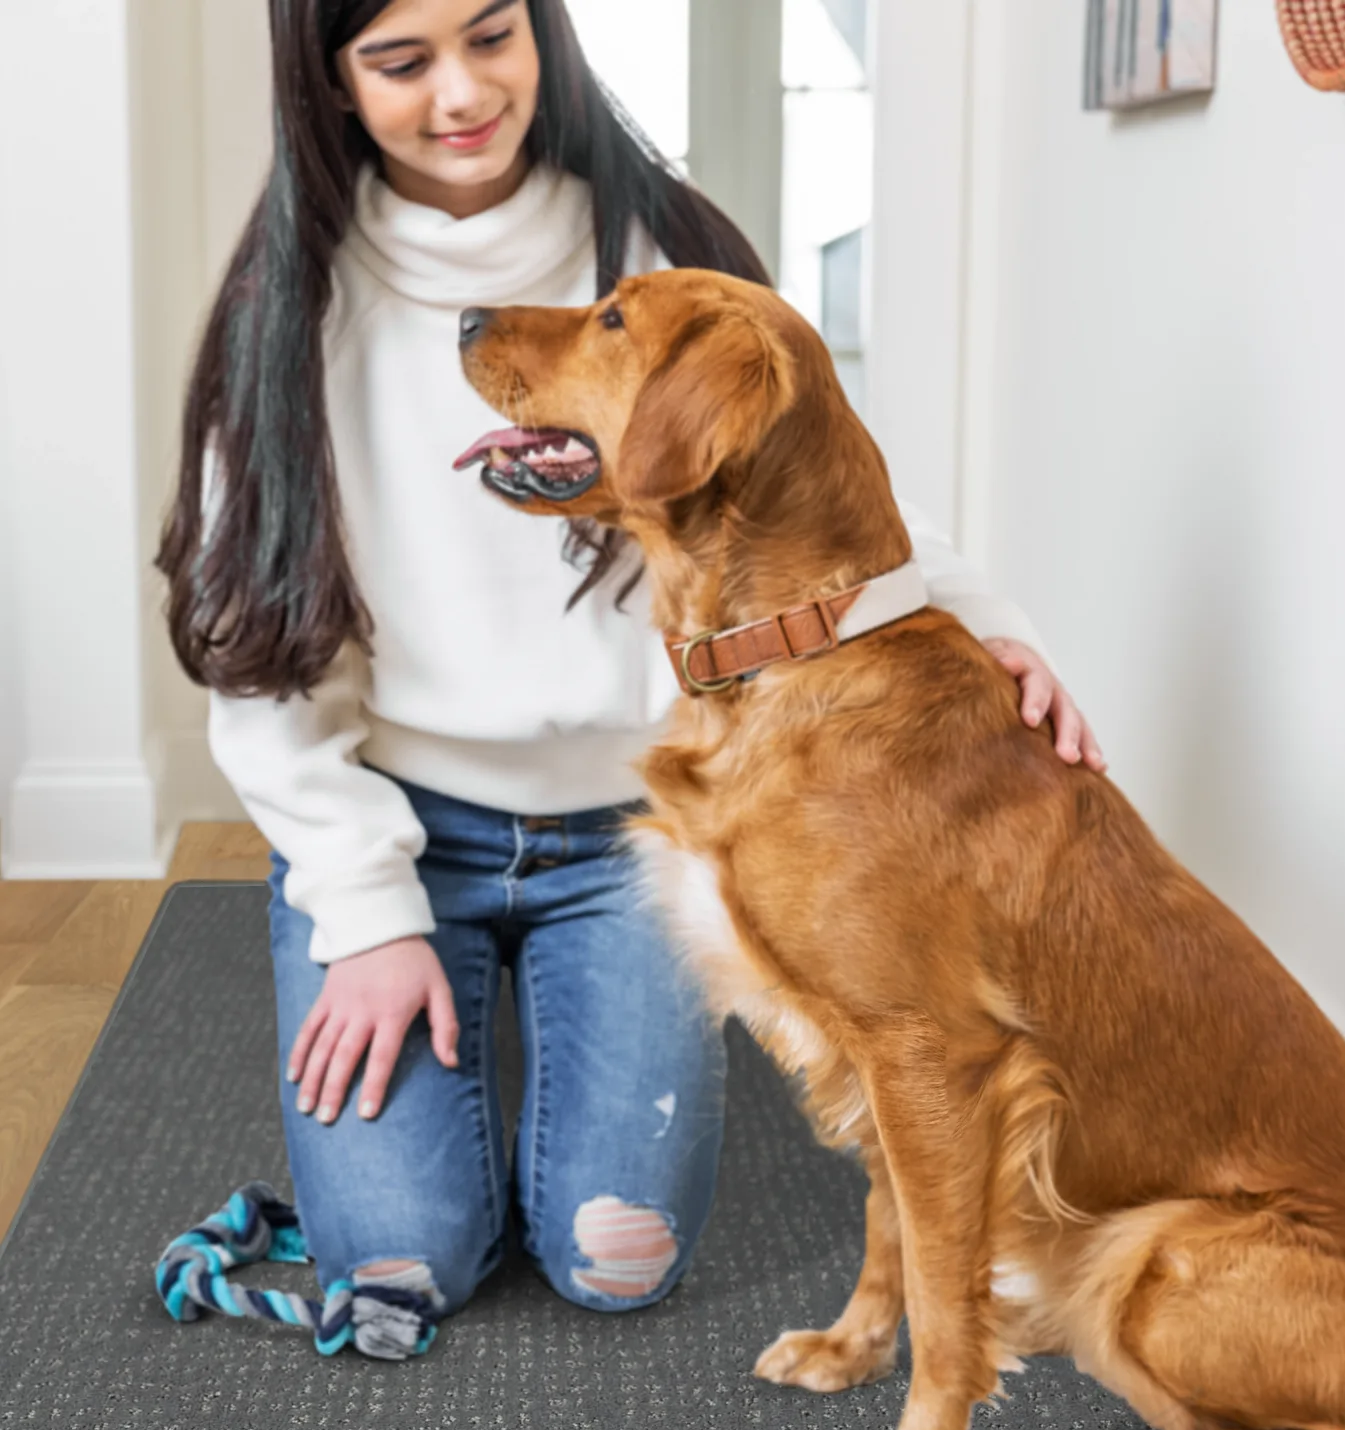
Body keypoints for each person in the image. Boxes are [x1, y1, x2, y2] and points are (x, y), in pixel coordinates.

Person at [157, 0, 1105, 1360]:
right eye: (400, 60)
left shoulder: (671, 248)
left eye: (491, 34)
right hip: (400, 827)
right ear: (328, 80)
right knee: (400, 1261)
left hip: (633, 831)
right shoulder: (285, 306)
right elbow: (262, 646)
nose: (463, 92)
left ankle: (558, 1010)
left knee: (619, 1259)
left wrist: (979, 619)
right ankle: (434, 1006)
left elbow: (809, 499)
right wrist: (363, 912)